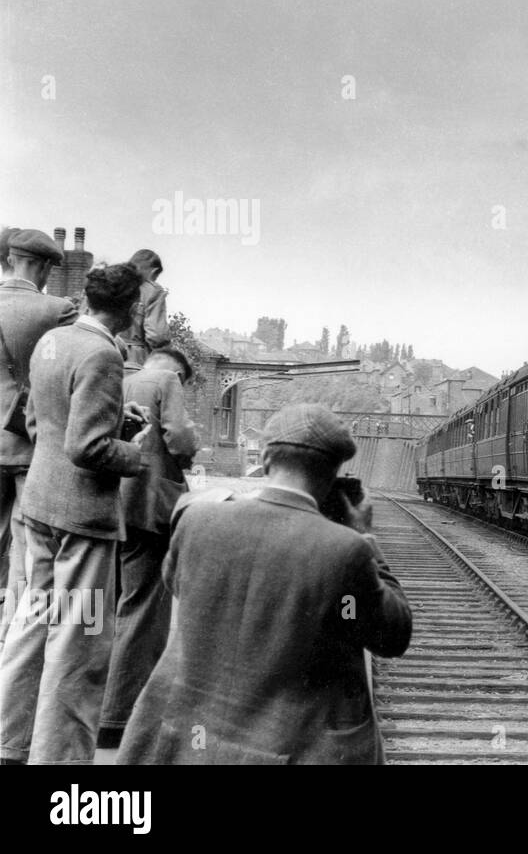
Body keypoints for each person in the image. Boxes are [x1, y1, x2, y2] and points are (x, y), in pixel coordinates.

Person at [118, 404, 413, 764]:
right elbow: (393, 635)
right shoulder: (344, 549)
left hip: (187, 742)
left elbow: (180, 586)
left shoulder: (196, 519)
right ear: (334, 472)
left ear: (268, 459)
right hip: (286, 750)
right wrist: (367, 539)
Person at [0, 264, 148, 764]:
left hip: (39, 501)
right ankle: (59, 763)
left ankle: (9, 744)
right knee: (77, 642)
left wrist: (109, 420)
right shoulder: (104, 355)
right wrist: (135, 451)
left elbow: (39, 420)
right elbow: (88, 448)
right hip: (82, 515)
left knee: (30, 621)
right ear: (129, 310)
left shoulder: (52, 342)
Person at [97, 347, 199, 749]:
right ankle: (118, 718)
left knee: (102, 609)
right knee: (142, 612)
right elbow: (181, 438)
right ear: (177, 370)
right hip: (147, 506)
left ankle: (98, 705)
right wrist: (189, 451)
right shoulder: (166, 380)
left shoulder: (113, 374)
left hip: (106, 504)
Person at [0, 229, 77, 642]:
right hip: (30, 443)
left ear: (10, 259)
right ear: (44, 267)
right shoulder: (57, 309)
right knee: (26, 546)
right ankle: (11, 633)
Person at [119, 249, 170, 368]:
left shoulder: (106, 282)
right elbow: (157, 336)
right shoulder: (152, 291)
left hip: (100, 351)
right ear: (154, 271)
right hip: (133, 359)